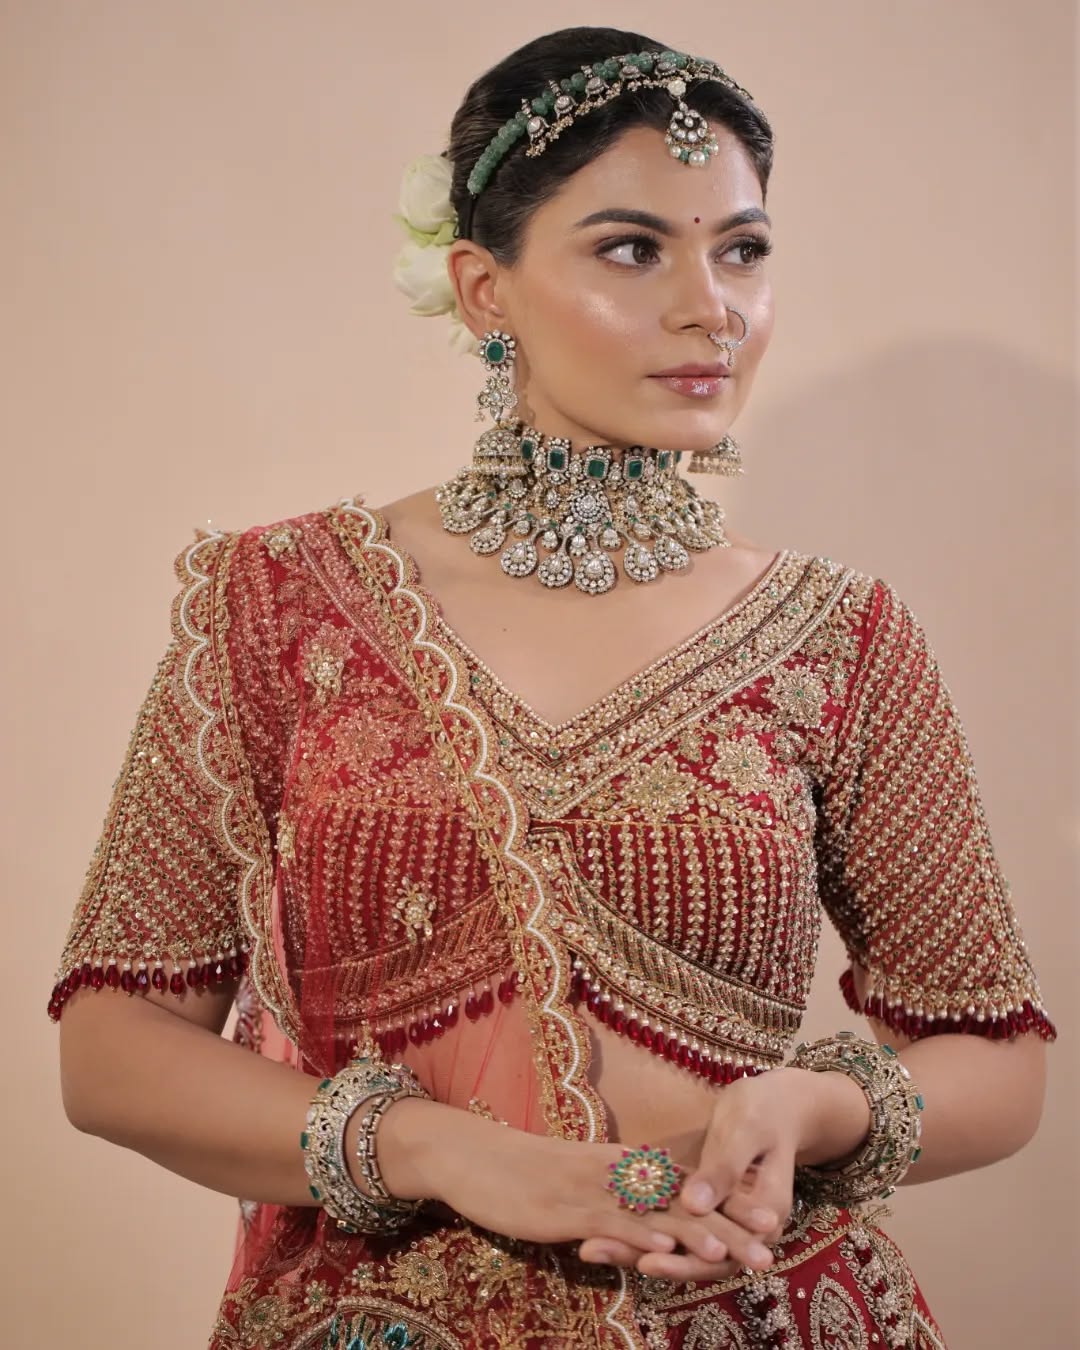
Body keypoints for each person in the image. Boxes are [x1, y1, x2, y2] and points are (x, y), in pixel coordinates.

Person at [50, 25, 1057, 1350]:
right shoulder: (284, 601)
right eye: (633, 249)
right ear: (485, 290)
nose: (713, 307)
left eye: (743, 249)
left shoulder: (841, 635)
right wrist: (434, 1149)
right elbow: (113, 1046)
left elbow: (996, 1056)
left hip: (754, 1308)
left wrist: (814, 1107)